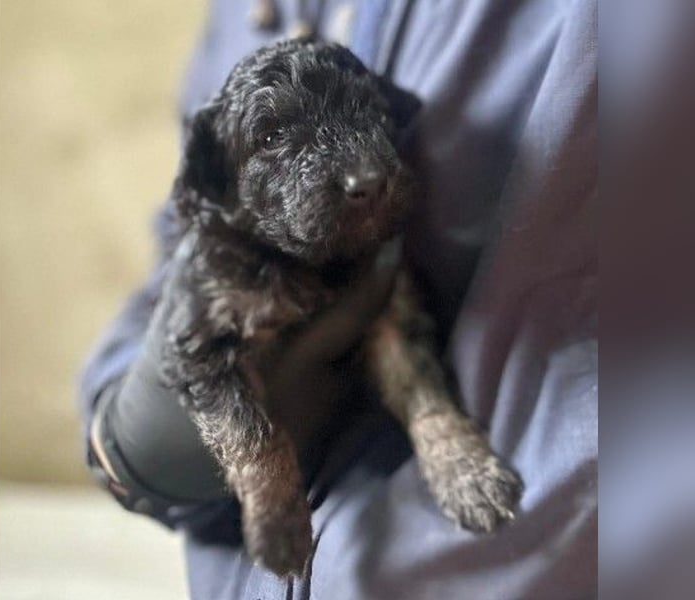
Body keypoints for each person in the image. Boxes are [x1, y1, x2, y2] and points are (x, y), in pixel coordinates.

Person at [79, 1, 597, 598]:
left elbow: (404, 342)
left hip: (473, 561)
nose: (362, 172)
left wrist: (445, 443)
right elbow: (164, 267)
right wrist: (124, 444)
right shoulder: (238, 22)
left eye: (366, 116)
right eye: (275, 136)